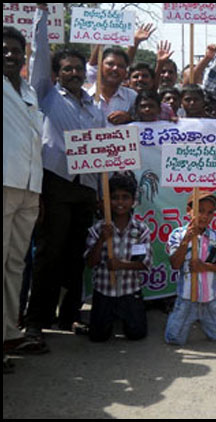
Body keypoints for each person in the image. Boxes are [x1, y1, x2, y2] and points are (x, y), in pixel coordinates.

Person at [23, 5, 106, 350]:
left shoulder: (94, 108)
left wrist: (100, 193)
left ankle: (69, 314)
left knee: (75, 254)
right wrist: (42, 16)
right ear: (56, 74)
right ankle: (35, 324)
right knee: (49, 254)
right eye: (66, 69)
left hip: (85, 190)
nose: (73, 73)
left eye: (77, 69)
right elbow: (40, 54)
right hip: (55, 185)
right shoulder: (44, 95)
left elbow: (105, 153)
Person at [3, 26, 44, 370]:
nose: (10, 54)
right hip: (3, 184)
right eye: (4, 49)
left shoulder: (28, 90)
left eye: (16, 49)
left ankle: (7, 331)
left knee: (15, 264)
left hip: (30, 188)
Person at [84, 173, 152, 342]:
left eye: (125, 197)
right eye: (114, 198)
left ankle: (125, 316)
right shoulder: (98, 228)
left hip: (130, 292)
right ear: (107, 201)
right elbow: (90, 263)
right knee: (98, 337)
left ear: (133, 200)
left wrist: (121, 265)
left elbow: (144, 264)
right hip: (104, 292)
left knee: (137, 334)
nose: (120, 202)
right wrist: (102, 239)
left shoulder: (140, 230)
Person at [164, 191, 216, 345]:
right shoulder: (178, 234)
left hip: (210, 298)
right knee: (174, 339)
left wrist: (206, 267)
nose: (204, 216)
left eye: (209, 212)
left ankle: (201, 319)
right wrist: (186, 240)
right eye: (200, 210)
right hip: (186, 297)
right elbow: (175, 264)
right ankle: (178, 315)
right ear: (189, 211)